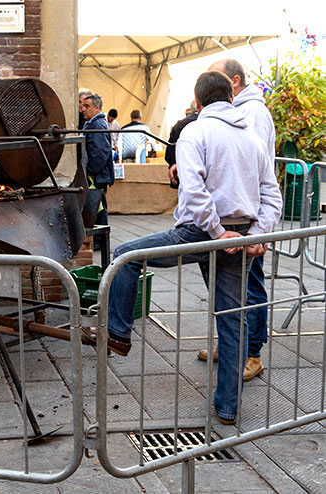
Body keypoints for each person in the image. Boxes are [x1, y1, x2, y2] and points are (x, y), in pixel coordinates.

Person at [81, 71, 282, 425]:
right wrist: (257, 233)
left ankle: (118, 333)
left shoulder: (196, 131)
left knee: (125, 256)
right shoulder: (251, 137)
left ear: (198, 101)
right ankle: (228, 408)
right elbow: (271, 194)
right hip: (239, 235)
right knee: (232, 320)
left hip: (202, 232)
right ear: (230, 98)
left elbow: (195, 192)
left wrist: (217, 232)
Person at [196, 59, 277, 382]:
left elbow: (249, 166)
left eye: (215, 75)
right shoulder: (236, 111)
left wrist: (258, 229)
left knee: (250, 287)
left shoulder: (252, 112)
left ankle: (251, 353)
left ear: (233, 80)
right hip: (238, 219)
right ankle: (233, 346)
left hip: (247, 221)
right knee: (231, 289)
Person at [81, 94, 114, 253]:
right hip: (96, 174)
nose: (83, 109)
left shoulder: (98, 124)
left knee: (99, 208)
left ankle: (100, 241)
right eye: (83, 105)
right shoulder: (93, 123)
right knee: (97, 206)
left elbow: (101, 152)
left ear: (96, 108)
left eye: (87, 106)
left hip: (97, 176)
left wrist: (91, 171)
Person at [165, 101, 198, 188]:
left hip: (180, 175)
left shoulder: (178, 125)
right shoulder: (206, 123)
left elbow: (168, 155)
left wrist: (174, 164)